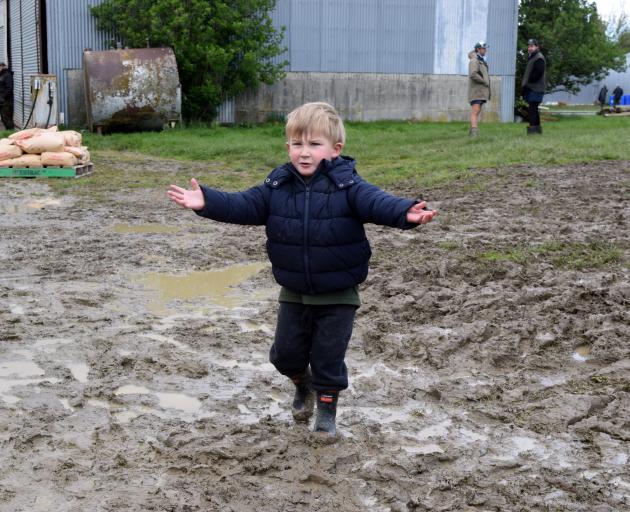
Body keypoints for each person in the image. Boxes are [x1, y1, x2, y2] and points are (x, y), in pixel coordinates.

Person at [167, 102, 437, 436]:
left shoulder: (348, 186)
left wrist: (405, 212)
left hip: (338, 293)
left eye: (314, 144)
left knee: (328, 357)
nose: (304, 153)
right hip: (294, 290)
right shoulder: (278, 186)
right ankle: (302, 383)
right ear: (288, 147)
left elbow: (378, 202)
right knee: (285, 356)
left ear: (335, 149)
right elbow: (244, 204)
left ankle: (326, 411)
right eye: (297, 144)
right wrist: (207, 201)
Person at [521, 38, 546, 135]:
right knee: (533, 109)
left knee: (532, 109)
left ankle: (532, 130)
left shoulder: (539, 57)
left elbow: (538, 73)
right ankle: (537, 130)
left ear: (537, 47)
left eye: (532, 46)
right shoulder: (532, 57)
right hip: (532, 87)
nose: (529, 48)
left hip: (536, 88)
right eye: (529, 46)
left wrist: (529, 81)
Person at [467, 41, 490, 137]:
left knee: (477, 111)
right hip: (476, 91)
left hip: (480, 91)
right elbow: (473, 74)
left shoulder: (480, 60)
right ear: (478, 49)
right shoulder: (474, 60)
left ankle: (472, 131)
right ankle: (474, 132)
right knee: (475, 111)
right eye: (483, 48)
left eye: (485, 48)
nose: (485, 50)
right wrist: (484, 82)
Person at [0, 63, 14, 130]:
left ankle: (12, 135)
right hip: (2, 101)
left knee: (8, 120)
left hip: (7, 102)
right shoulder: (2, 75)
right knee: (4, 119)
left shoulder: (7, 75)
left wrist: (2, 97)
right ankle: (8, 135)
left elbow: (9, 88)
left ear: (2, 67)